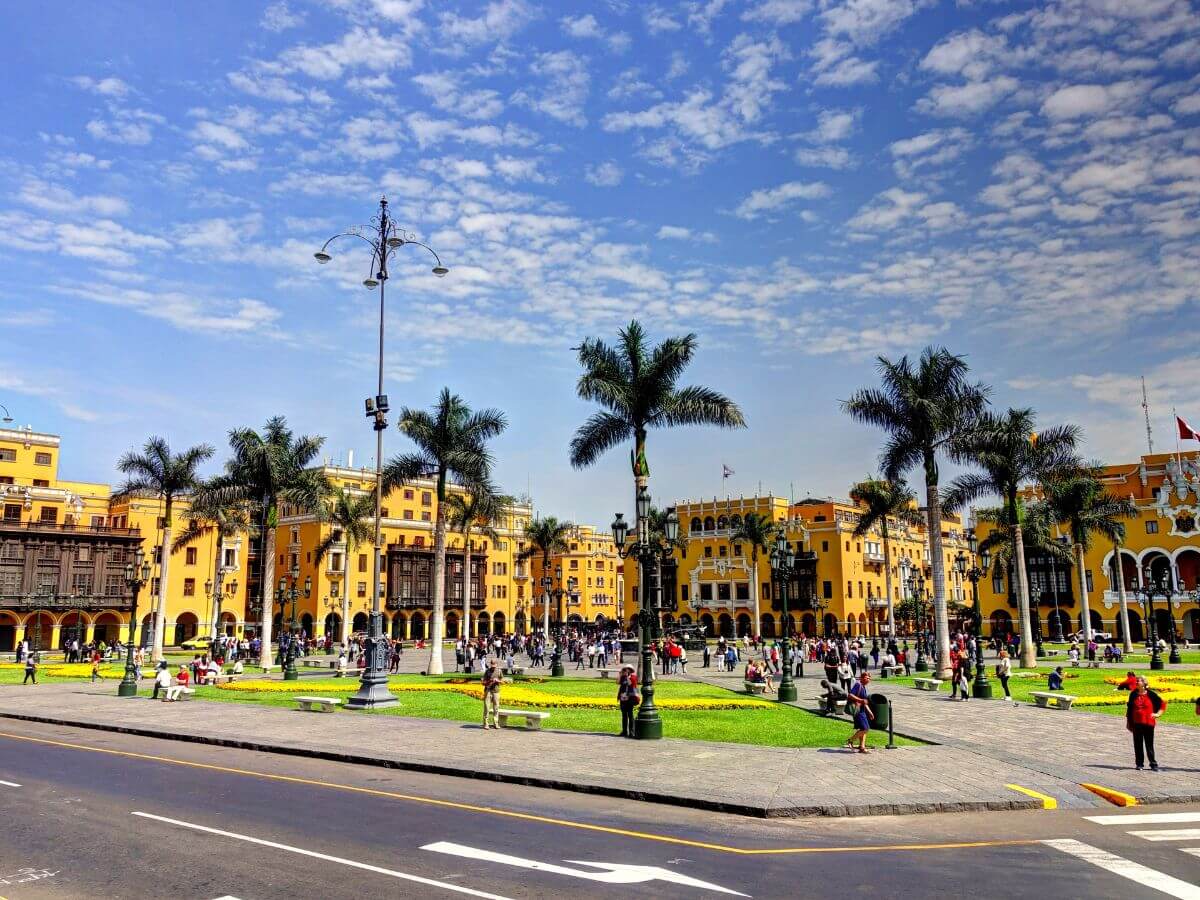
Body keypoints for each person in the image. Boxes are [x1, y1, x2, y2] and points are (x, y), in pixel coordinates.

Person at [1126, 676, 1165, 770]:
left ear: (1144, 683)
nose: (1136, 682)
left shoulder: (1151, 695)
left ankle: (1153, 764)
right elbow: (1130, 708)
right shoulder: (1133, 694)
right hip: (1136, 723)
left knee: (1149, 744)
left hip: (1148, 723)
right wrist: (1128, 722)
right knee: (1138, 744)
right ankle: (1139, 764)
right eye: (1136, 681)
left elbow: (1163, 703)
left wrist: (1158, 714)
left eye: (1138, 681)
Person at [846, 672, 874, 753]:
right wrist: (860, 700)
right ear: (861, 678)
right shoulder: (858, 685)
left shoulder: (863, 687)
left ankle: (862, 747)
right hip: (857, 710)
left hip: (862, 710)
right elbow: (850, 695)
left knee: (864, 728)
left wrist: (870, 712)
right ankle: (850, 740)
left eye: (869, 678)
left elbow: (864, 702)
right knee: (865, 728)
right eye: (866, 678)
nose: (868, 680)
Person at [617, 664, 639, 737]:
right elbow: (617, 682)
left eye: (628, 669)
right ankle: (624, 731)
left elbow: (631, 684)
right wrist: (620, 674)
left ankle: (631, 732)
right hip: (623, 698)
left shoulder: (633, 677)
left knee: (630, 715)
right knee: (624, 715)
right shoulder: (623, 677)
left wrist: (627, 677)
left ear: (631, 670)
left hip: (630, 698)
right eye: (625, 669)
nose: (626, 670)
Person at [482, 660, 503, 729]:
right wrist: (490, 681)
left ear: (496, 664)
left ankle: (496, 723)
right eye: (492, 665)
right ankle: (486, 723)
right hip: (488, 691)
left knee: (496, 708)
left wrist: (498, 681)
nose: (493, 667)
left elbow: (502, 681)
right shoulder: (487, 671)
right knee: (487, 707)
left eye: (494, 665)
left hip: (496, 691)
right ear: (490, 664)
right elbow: (483, 683)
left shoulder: (499, 671)